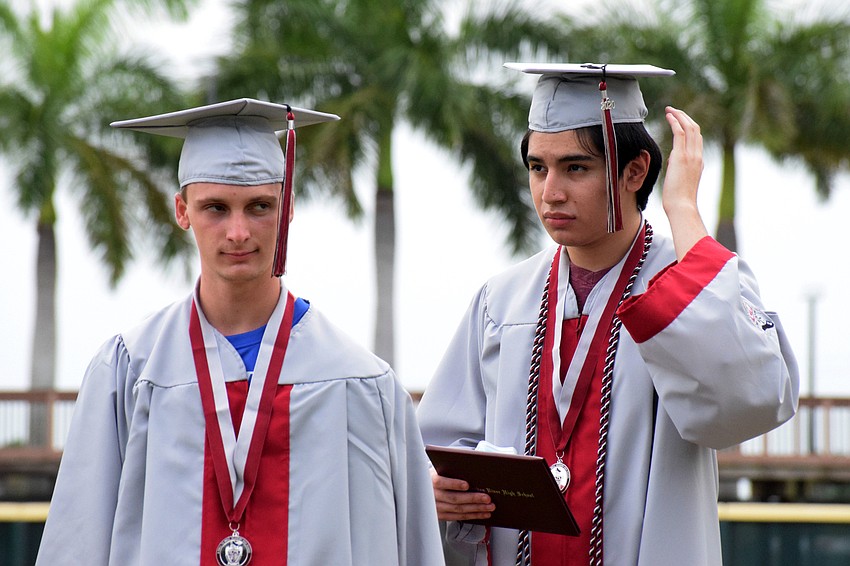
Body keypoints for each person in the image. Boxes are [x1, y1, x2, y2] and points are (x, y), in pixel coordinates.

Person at [416, 63, 799, 566]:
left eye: (576, 168)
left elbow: (750, 399)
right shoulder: (502, 302)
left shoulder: (688, 287)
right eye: (538, 167)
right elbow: (434, 449)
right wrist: (438, 489)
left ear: (635, 170)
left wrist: (682, 206)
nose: (550, 192)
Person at [36, 98, 445, 566]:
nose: (237, 232)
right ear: (182, 210)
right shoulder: (130, 370)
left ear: (287, 208)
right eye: (215, 207)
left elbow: (410, 547)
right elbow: (78, 541)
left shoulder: (362, 383)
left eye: (258, 207)